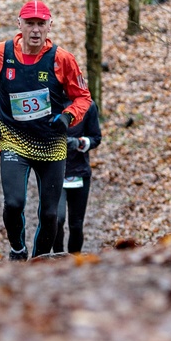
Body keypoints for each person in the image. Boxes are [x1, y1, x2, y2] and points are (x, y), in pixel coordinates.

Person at [0, 0, 92, 261]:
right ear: (20, 25)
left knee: (51, 215)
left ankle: (38, 261)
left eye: (41, 24)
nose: (36, 30)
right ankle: (18, 248)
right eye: (30, 24)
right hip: (13, 139)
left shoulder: (62, 59)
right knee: (14, 203)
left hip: (51, 143)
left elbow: (83, 97)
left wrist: (67, 117)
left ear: (50, 26)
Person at [53, 101, 101, 254]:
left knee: (76, 224)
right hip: (55, 173)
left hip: (80, 172)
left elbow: (96, 137)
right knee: (57, 219)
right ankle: (58, 256)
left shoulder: (88, 106)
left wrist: (79, 143)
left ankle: (75, 260)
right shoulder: (51, 101)